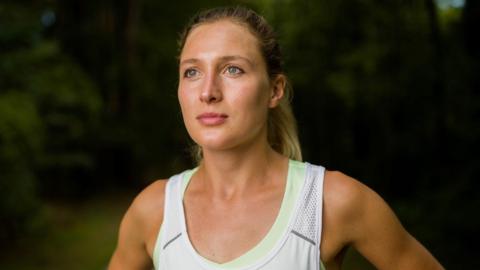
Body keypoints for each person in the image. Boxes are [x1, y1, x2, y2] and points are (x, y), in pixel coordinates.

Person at [108, 6, 444, 270]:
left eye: (232, 69)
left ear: (275, 89)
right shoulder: (154, 211)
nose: (208, 92)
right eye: (192, 71)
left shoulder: (332, 202)